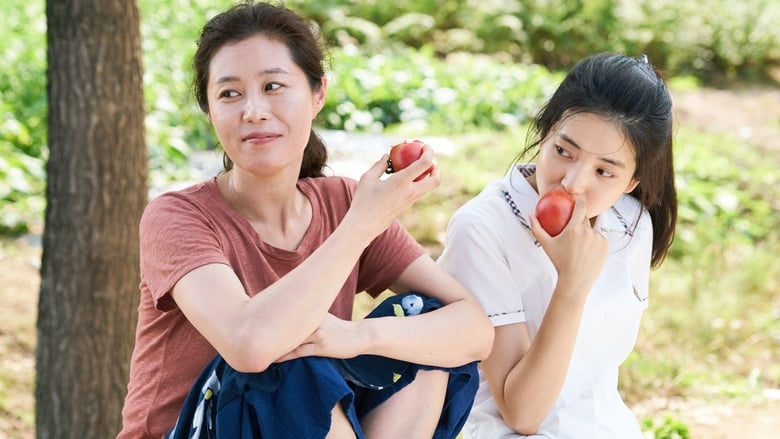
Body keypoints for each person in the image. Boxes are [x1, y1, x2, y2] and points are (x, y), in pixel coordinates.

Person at [118, 2, 493, 438]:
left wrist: (359, 338)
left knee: (423, 321)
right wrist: (360, 226)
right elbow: (248, 345)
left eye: (273, 86)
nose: (253, 110)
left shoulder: (343, 201)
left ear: (318, 94)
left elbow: (474, 329)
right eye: (229, 93)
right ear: (210, 112)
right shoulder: (177, 217)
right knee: (285, 360)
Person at [436, 53, 677, 438]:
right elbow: (522, 414)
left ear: (632, 180)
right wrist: (571, 285)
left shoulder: (631, 224)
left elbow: (594, 380)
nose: (573, 183)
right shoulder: (482, 227)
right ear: (544, 133)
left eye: (604, 171)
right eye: (564, 152)